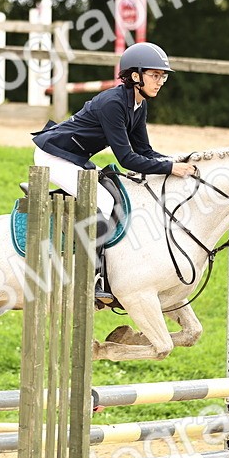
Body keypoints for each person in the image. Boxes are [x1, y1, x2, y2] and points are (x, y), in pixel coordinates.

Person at [32, 41, 196, 302]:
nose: (160, 82)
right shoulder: (113, 103)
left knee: (120, 193)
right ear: (135, 76)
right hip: (53, 157)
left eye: (162, 77)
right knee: (105, 201)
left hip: (74, 158)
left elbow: (144, 150)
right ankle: (93, 275)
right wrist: (170, 167)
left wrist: (176, 161)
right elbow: (127, 159)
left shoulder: (139, 104)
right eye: (155, 75)